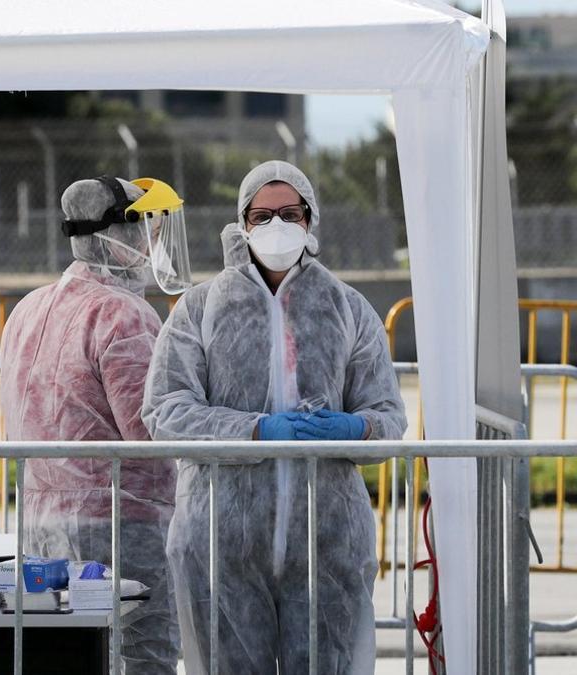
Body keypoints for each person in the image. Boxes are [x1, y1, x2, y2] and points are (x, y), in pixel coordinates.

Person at [143, 161, 407, 674]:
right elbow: (165, 410)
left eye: (289, 213)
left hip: (327, 544)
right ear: (242, 224)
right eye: (262, 215)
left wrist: (355, 429)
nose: (276, 225)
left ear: (311, 221)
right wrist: (256, 430)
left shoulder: (348, 307)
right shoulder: (200, 308)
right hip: (220, 543)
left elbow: (389, 418)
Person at [0, 177, 181, 674]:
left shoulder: (27, 309)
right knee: (142, 654)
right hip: (122, 527)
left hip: (39, 527)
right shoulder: (122, 314)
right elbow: (150, 432)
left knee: (64, 657)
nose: (150, 244)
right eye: (145, 229)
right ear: (117, 235)